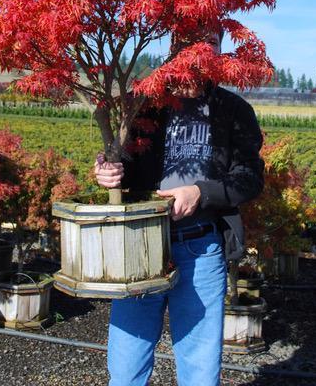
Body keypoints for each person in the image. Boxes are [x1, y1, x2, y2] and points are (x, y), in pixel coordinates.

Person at [94, 32, 264, 386]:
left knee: (201, 369)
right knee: (126, 366)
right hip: (140, 247)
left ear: (219, 47)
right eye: (188, 39)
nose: (201, 50)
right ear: (172, 44)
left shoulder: (233, 111)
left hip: (201, 248)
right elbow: (121, 160)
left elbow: (249, 179)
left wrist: (200, 192)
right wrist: (108, 171)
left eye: (210, 41)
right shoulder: (142, 104)